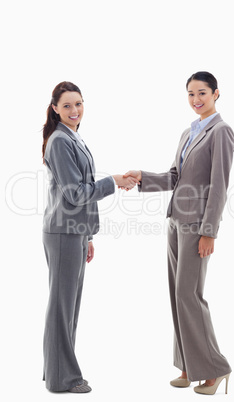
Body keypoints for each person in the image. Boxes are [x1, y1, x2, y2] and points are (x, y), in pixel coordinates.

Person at [123, 72, 234, 395]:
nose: (196, 99)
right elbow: (175, 176)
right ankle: (189, 364)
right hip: (175, 220)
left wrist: (209, 231)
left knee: (190, 295)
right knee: (177, 294)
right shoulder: (188, 132)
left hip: (198, 225)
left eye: (201, 93)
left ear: (216, 94)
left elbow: (219, 186)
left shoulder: (221, 132)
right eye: (190, 94)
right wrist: (142, 176)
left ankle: (215, 368)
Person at [41, 81, 139, 393]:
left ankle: (56, 370)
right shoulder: (59, 140)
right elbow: (74, 194)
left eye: (79, 104)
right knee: (62, 306)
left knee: (67, 307)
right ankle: (62, 379)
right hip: (62, 232)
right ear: (55, 108)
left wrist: (89, 235)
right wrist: (113, 181)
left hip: (74, 231)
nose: (74, 110)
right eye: (67, 105)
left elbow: (78, 192)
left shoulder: (72, 137)